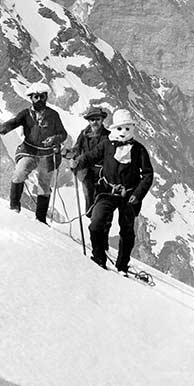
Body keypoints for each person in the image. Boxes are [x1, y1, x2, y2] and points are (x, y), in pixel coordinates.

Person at [71, 108, 153, 274]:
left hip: (129, 196)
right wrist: (77, 163)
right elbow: (91, 156)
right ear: (115, 128)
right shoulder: (107, 144)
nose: (123, 132)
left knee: (127, 231)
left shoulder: (139, 150)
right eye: (120, 128)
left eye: (127, 128)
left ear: (132, 129)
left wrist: (137, 194)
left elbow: (148, 175)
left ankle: (122, 265)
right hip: (106, 191)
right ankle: (99, 257)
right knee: (96, 224)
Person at [0, 82, 68, 224]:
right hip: (28, 152)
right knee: (19, 173)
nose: (39, 100)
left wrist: (55, 138)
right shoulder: (26, 114)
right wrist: (4, 127)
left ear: (46, 97)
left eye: (42, 96)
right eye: (36, 97)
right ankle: (14, 207)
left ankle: (41, 219)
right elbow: (15, 122)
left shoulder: (53, 115)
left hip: (47, 156)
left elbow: (63, 134)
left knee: (44, 186)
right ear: (31, 98)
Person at [69, 106, 110, 214]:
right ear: (89, 121)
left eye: (98, 119)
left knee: (100, 198)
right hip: (86, 171)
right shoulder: (84, 134)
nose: (95, 122)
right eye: (92, 120)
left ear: (102, 120)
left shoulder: (108, 136)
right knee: (88, 193)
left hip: (102, 173)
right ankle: (90, 216)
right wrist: (69, 155)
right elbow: (77, 149)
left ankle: (96, 220)